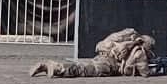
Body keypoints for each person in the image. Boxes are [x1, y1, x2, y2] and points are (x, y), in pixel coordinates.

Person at [30, 29, 158, 78]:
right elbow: (144, 72)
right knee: (84, 70)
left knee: (84, 65)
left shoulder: (128, 42)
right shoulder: (138, 51)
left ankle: (52, 67)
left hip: (104, 55)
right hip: (110, 64)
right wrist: (153, 71)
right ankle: (56, 68)